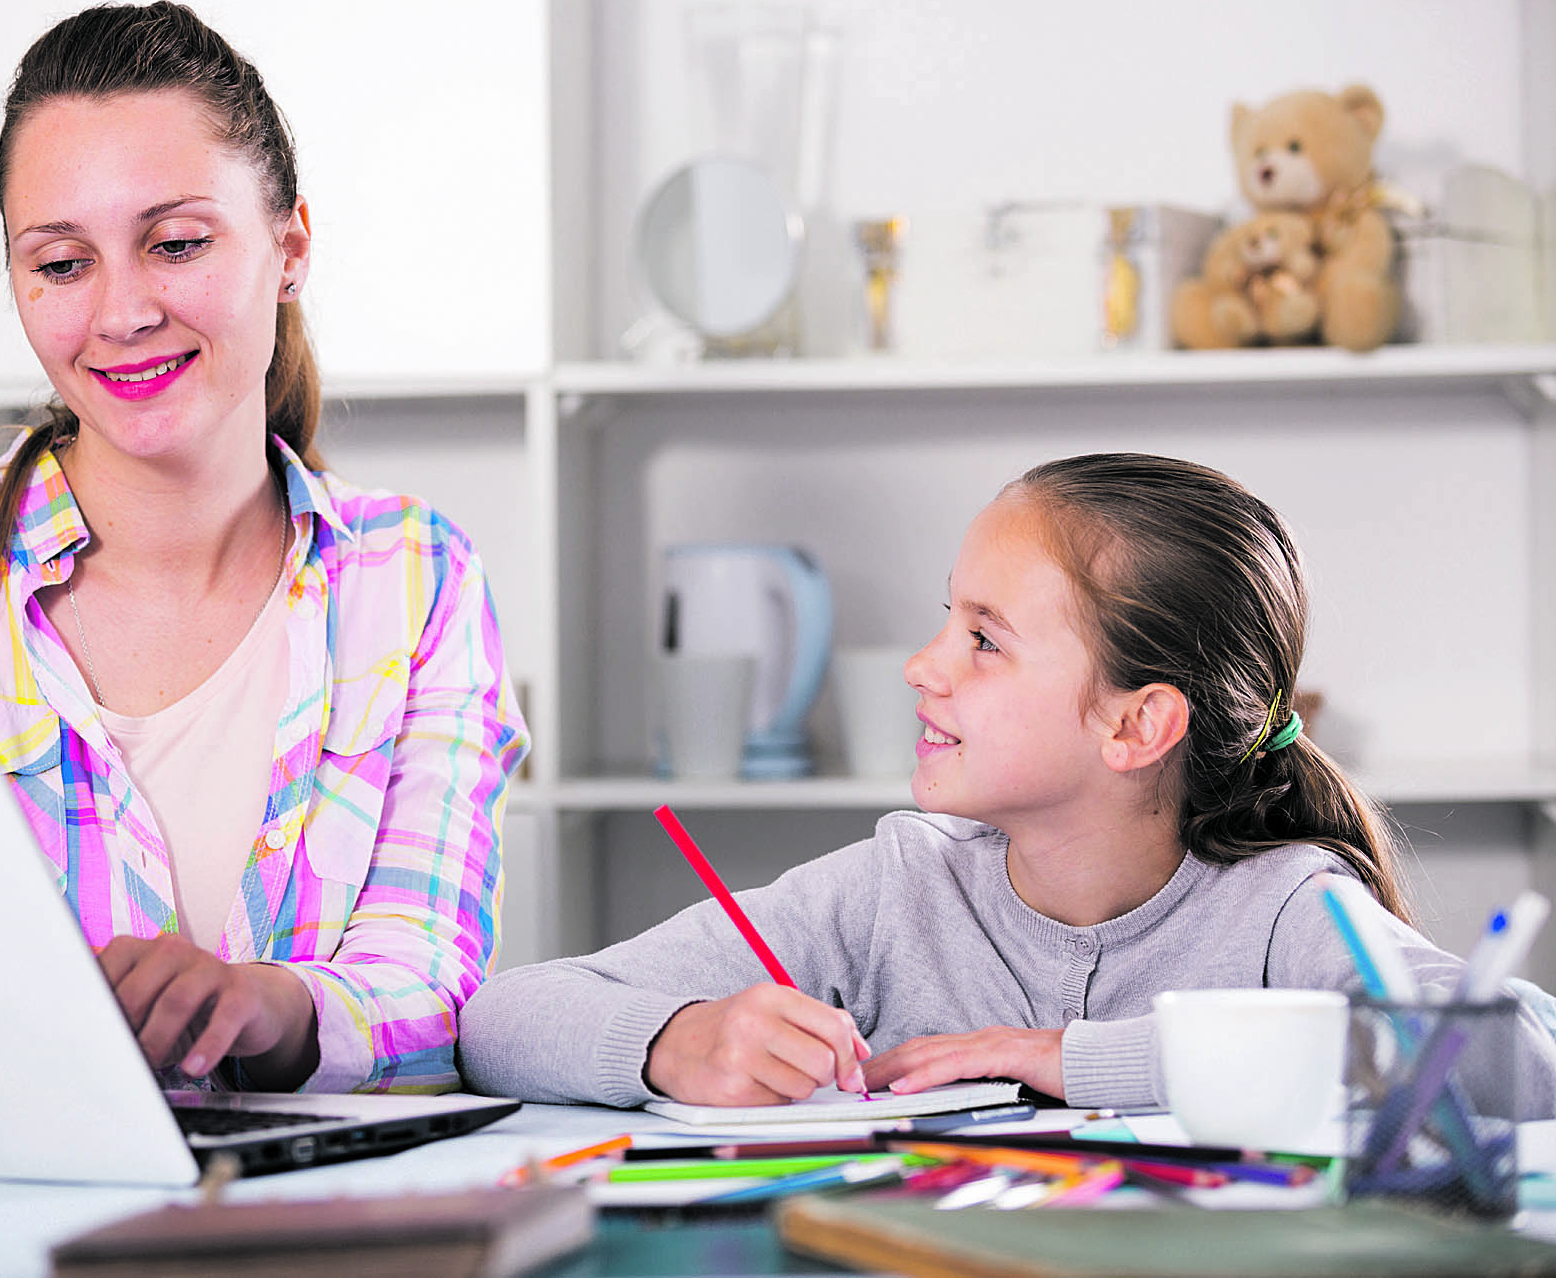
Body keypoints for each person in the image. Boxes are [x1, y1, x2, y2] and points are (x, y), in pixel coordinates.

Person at [0, 0, 526, 1095]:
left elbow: (430, 984)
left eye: (177, 244)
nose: (123, 311)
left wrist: (268, 1006)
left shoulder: (416, 577)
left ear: (289, 248)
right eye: (62, 264)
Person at [458, 453, 1555, 1116]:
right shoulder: (894, 890)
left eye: (983, 638)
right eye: (949, 618)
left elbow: (1524, 1056)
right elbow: (500, 1018)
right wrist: (673, 1041)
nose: (921, 665)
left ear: (1135, 724)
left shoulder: (1280, 906)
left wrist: (1069, 1060)